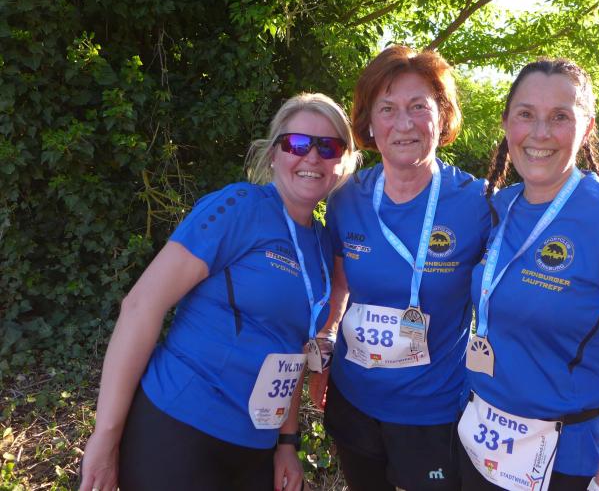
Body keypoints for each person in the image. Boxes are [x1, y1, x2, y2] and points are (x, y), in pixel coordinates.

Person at [78, 93, 359, 491]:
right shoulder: (238, 207)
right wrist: (105, 435)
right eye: (296, 144)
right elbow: (141, 305)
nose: (312, 157)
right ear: (274, 154)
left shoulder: (322, 242)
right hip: (181, 425)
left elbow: (291, 349)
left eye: (328, 147)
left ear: (343, 162)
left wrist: (286, 442)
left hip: (256, 443)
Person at [457, 58, 599, 491]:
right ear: (506, 123)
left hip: (566, 462)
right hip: (480, 445)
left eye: (560, 116)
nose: (540, 133)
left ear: (586, 127)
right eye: (526, 114)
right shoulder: (500, 207)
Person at [309, 45, 492, 491]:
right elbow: (339, 288)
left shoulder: (479, 203)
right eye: (387, 108)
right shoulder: (346, 198)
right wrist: (323, 347)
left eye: (418, 107)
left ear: (442, 116)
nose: (404, 123)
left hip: (434, 412)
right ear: (369, 123)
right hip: (354, 402)